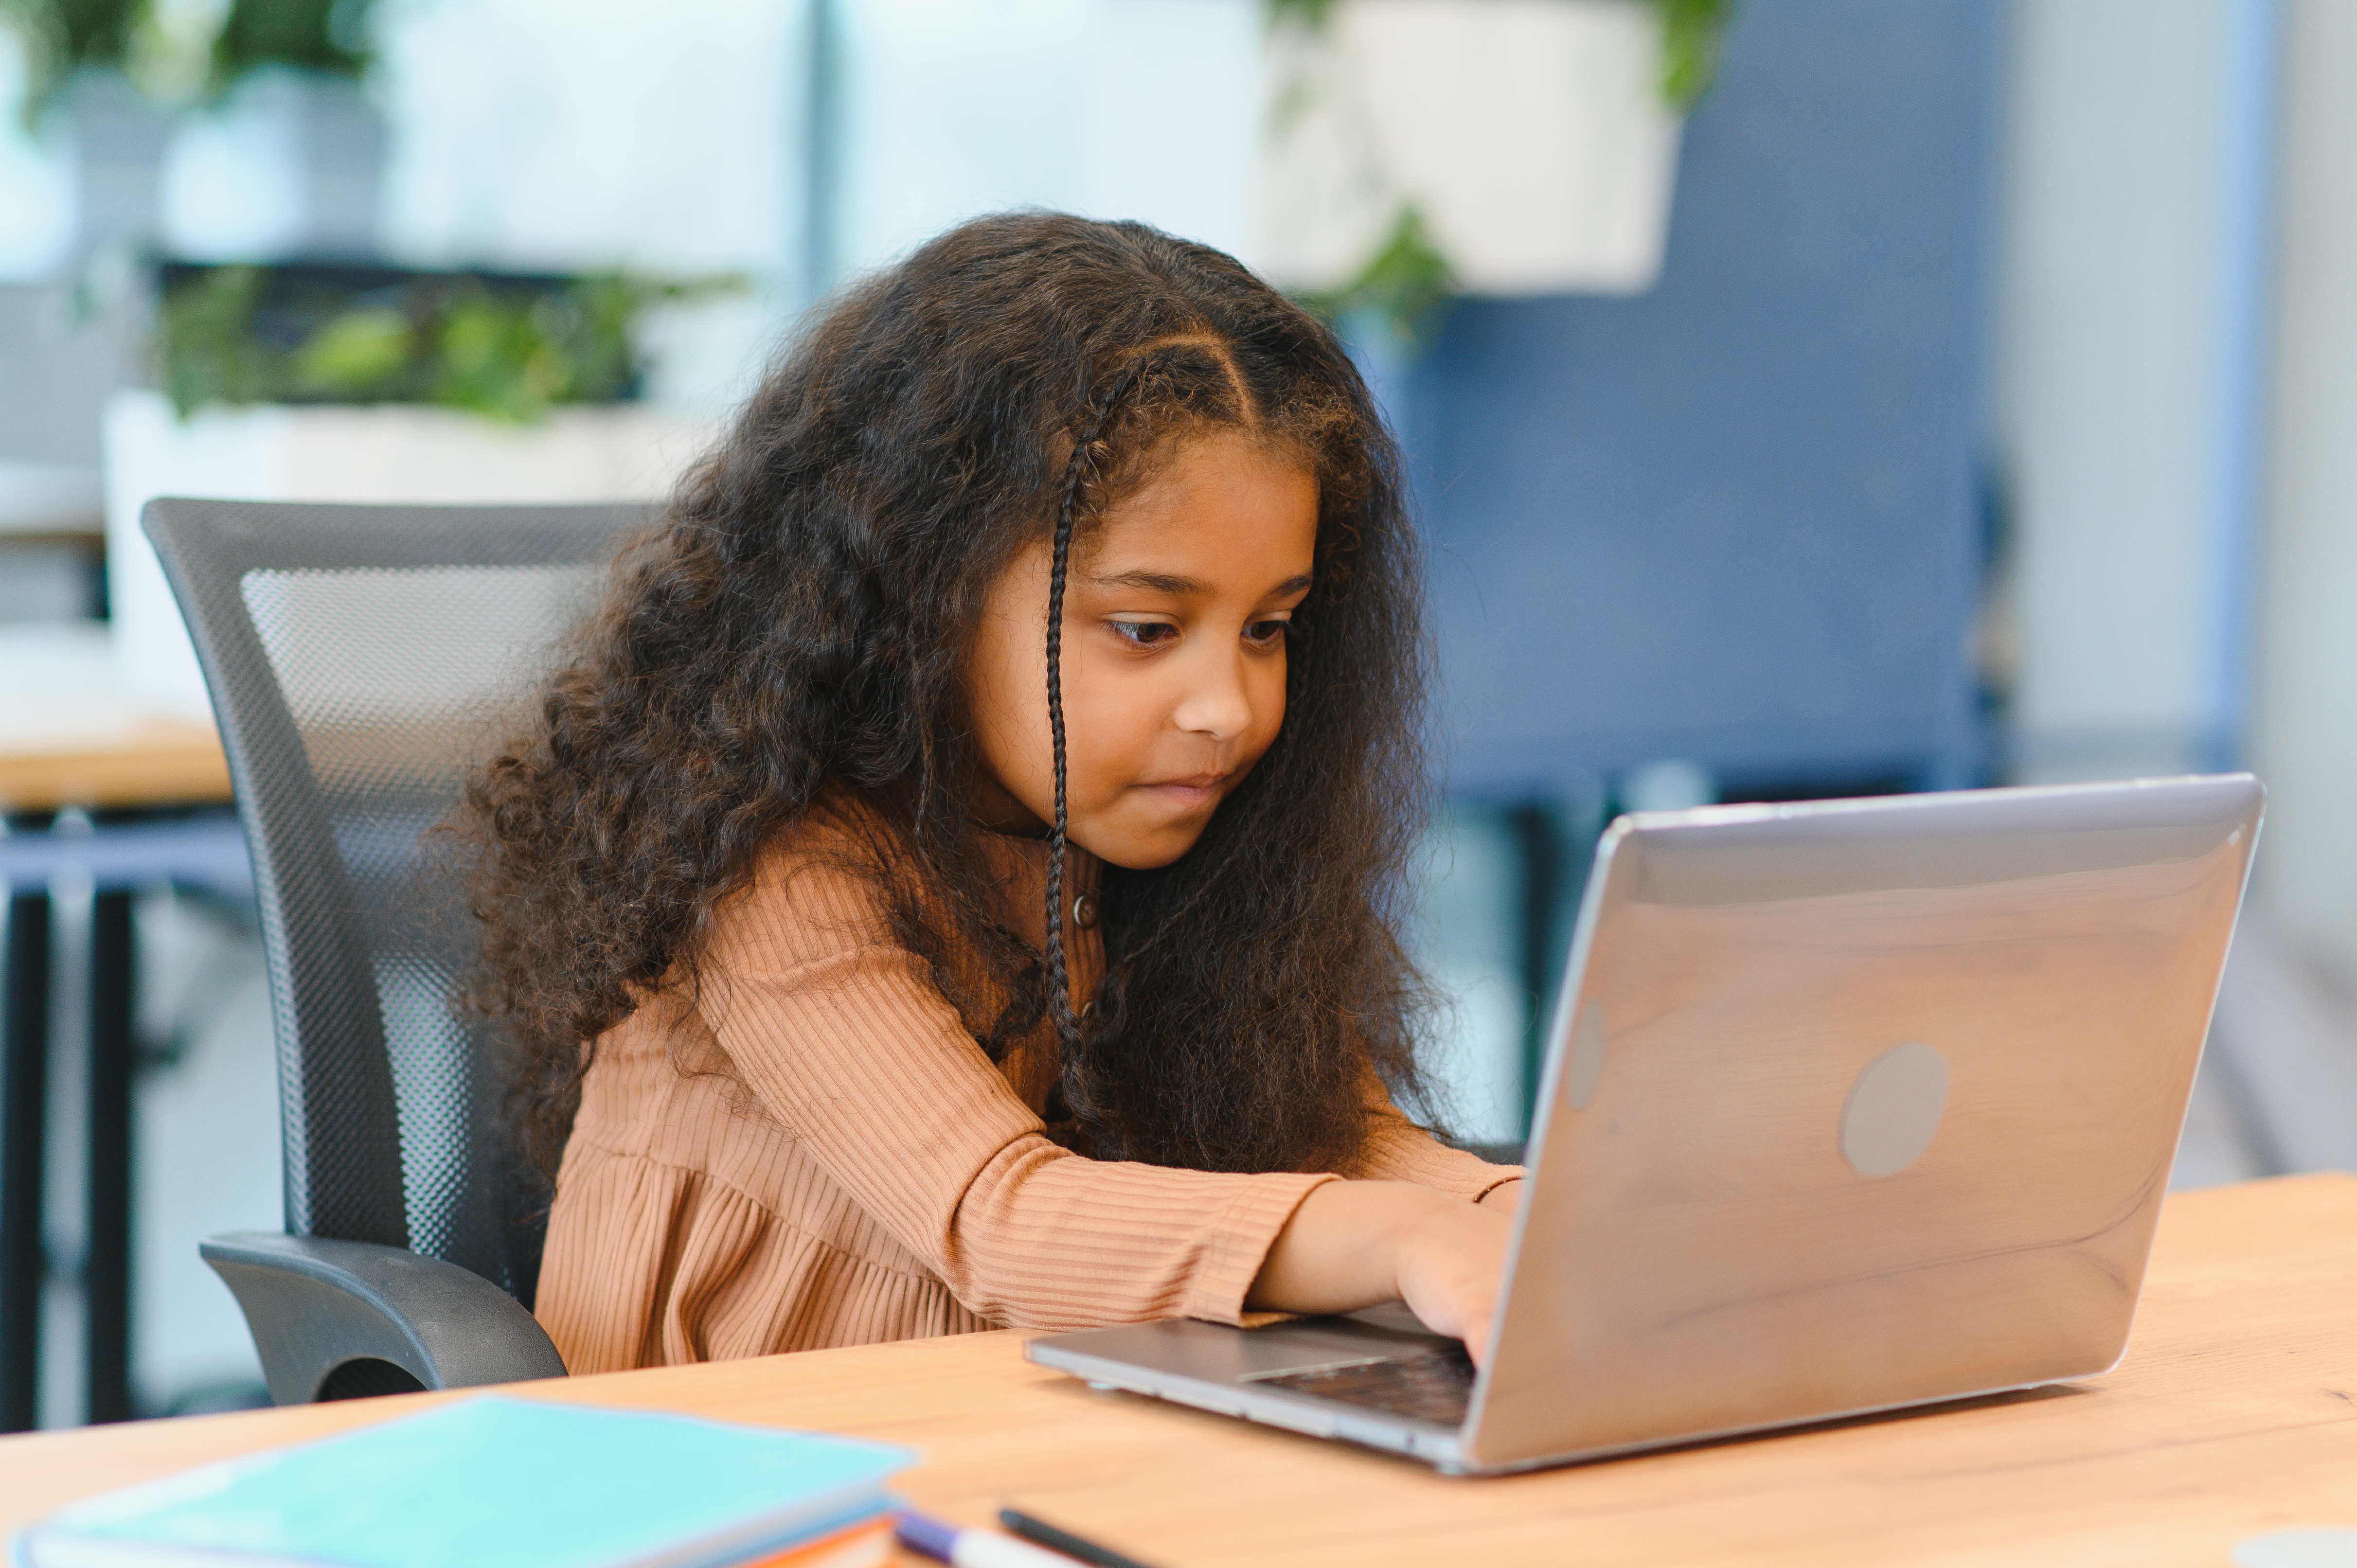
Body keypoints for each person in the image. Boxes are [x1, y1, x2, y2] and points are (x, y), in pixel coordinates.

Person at [461, 212, 1520, 1377]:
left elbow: (1333, 1129)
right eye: (1145, 628)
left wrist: (1517, 1211)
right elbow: (1000, 1221)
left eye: (1268, 627)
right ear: (931, 592)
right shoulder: (773, 866)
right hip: (729, 1472)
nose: (1227, 705)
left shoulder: (1149, 828)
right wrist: (1406, 1236)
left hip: (1017, 1427)